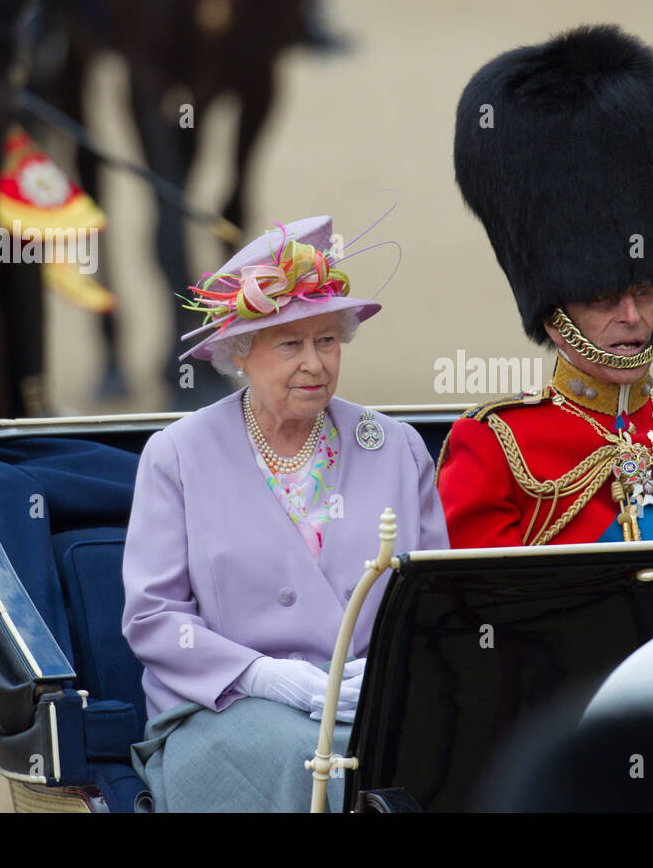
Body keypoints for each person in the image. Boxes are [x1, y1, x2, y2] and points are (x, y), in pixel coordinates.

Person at [121, 215, 448, 812]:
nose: (316, 363)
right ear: (239, 354)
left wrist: (386, 672)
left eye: (327, 340)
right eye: (291, 344)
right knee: (306, 757)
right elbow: (155, 619)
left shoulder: (396, 447)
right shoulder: (177, 456)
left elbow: (437, 598)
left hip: (375, 703)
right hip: (225, 708)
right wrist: (261, 677)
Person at [438, 24, 653, 547]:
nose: (633, 316)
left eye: (643, 292)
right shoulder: (494, 443)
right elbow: (478, 611)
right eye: (602, 298)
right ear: (554, 312)